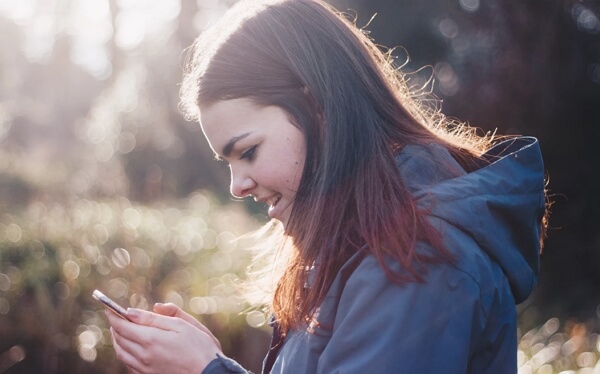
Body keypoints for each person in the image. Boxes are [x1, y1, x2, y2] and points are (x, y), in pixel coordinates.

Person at [105, 0, 549, 373]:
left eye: (248, 151)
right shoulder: (368, 244)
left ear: (316, 106)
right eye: (228, 162)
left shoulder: (417, 258)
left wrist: (207, 370)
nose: (238, 186)